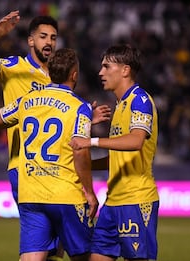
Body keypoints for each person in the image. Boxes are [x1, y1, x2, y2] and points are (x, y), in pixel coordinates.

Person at [0, 48, 99, 261]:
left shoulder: (27, 100)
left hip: (31, 194)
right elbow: (80, 151)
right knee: (84, 256)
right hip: (65, 194)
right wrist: (89, 191)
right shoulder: (80, 107)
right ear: (74, 75)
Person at [69, 44, 160, 261]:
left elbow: (136, 141)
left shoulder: (140, 100)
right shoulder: (120, 105)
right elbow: (120, 156)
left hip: (136, 201)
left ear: (125, 70)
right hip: (112, 203)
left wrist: (90, 141)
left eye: (106, 66)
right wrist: (87, 165)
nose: (100, 73)